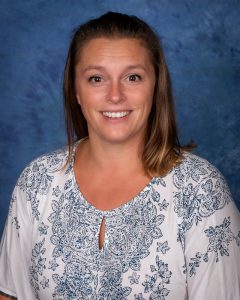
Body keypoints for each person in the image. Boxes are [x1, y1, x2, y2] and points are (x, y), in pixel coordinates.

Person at [0, 11, 239, 300]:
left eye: (133, 77)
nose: (115, 95)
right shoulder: (38, 182)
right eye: (97, 78)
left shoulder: (201, 191)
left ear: (156, 87)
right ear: (76, 90)